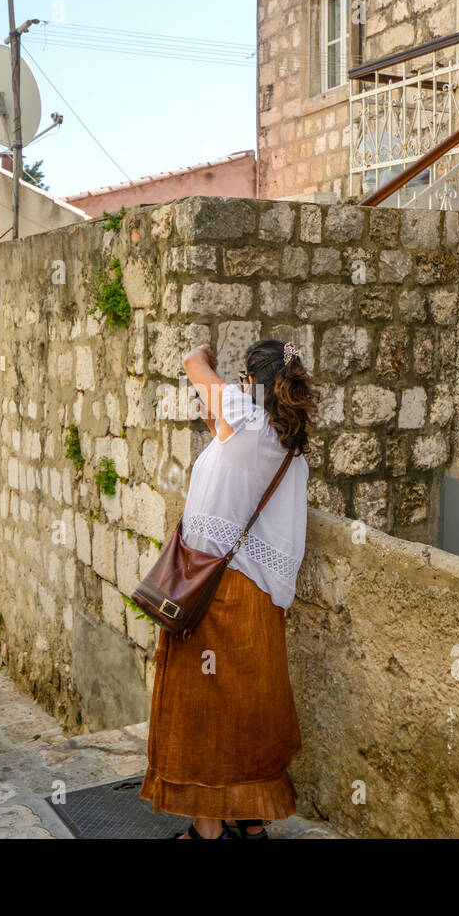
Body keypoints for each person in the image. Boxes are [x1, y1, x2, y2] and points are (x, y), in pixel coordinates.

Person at [140, 338, 316, 840]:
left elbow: (192, 364)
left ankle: (208, 831)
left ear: (249, 386)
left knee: (203, 715)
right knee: (249, 714)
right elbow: (224, 440)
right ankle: (252, 824)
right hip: (257, 601)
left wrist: (202, 353)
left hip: (214, 595)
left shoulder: (246, 417)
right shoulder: (284, 446)